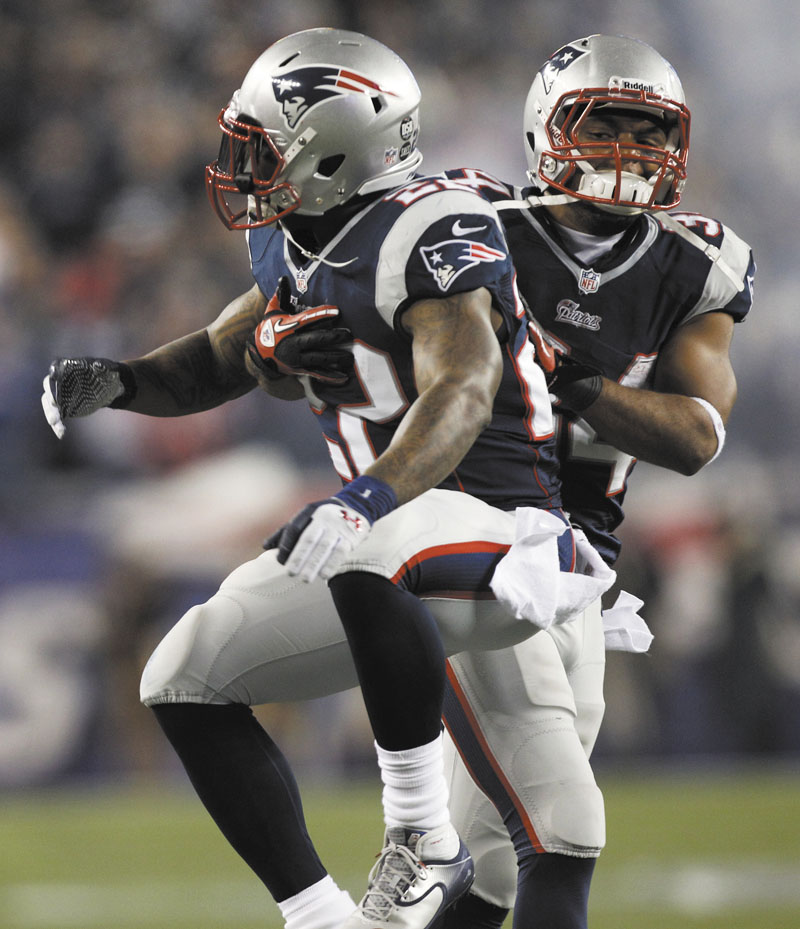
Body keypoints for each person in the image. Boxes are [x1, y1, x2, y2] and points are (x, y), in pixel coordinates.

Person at [41, 28, 613, 929]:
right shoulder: (291, 234)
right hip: (382, 559)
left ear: (338, 147)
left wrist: (366, 496)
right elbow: (219, 356)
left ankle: (421, 837)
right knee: (181, 673)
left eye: (262, 145)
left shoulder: (435, 222)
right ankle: (322, 918)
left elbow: (463, 390)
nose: (240, 164)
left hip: (511, 536)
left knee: (543, 836)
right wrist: (120, 381)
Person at [428, 34, 755, 929]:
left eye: (650, 131)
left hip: (581, 572)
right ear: (546, 125)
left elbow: (696, 437)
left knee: (493, 868)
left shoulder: (693, 265)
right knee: (563, 833)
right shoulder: (475, 224)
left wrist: (568, 378)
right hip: (476, 552)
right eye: (604, 121)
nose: (629, 149)